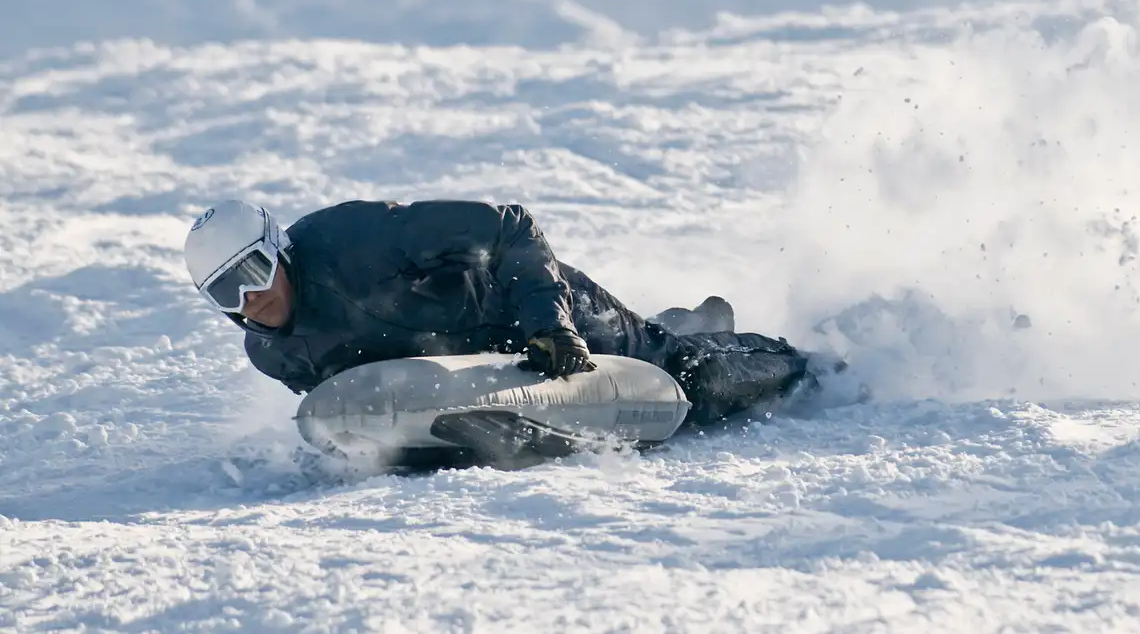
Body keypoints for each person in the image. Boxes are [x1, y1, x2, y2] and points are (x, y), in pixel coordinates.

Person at [183, 199, 815, 439]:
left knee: (692, 384)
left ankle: (801, 361)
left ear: (280, 250)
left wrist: (551, 323)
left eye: (255, 272)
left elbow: (511, 228)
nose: (251, 300)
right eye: (226, 294)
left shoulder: (358, 240)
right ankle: (679, 323)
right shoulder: (275, 354)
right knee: (659, 344)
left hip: (530, 312)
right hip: (482, 366)